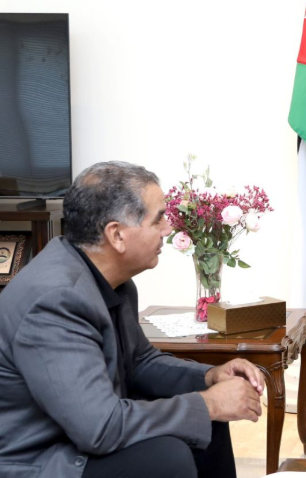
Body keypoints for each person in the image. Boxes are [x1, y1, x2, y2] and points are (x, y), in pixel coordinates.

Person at [0, 161, 265, 478]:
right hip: (40, 458)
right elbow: (100, 427)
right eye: (158, 219)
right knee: (169, 457)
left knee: (206, 426)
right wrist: (209, 403)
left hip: (79, 434)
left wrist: (210, 377)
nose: (168, 229)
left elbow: (139, 362)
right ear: (117, 235)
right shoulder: (55, 301)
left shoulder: (113, 280)